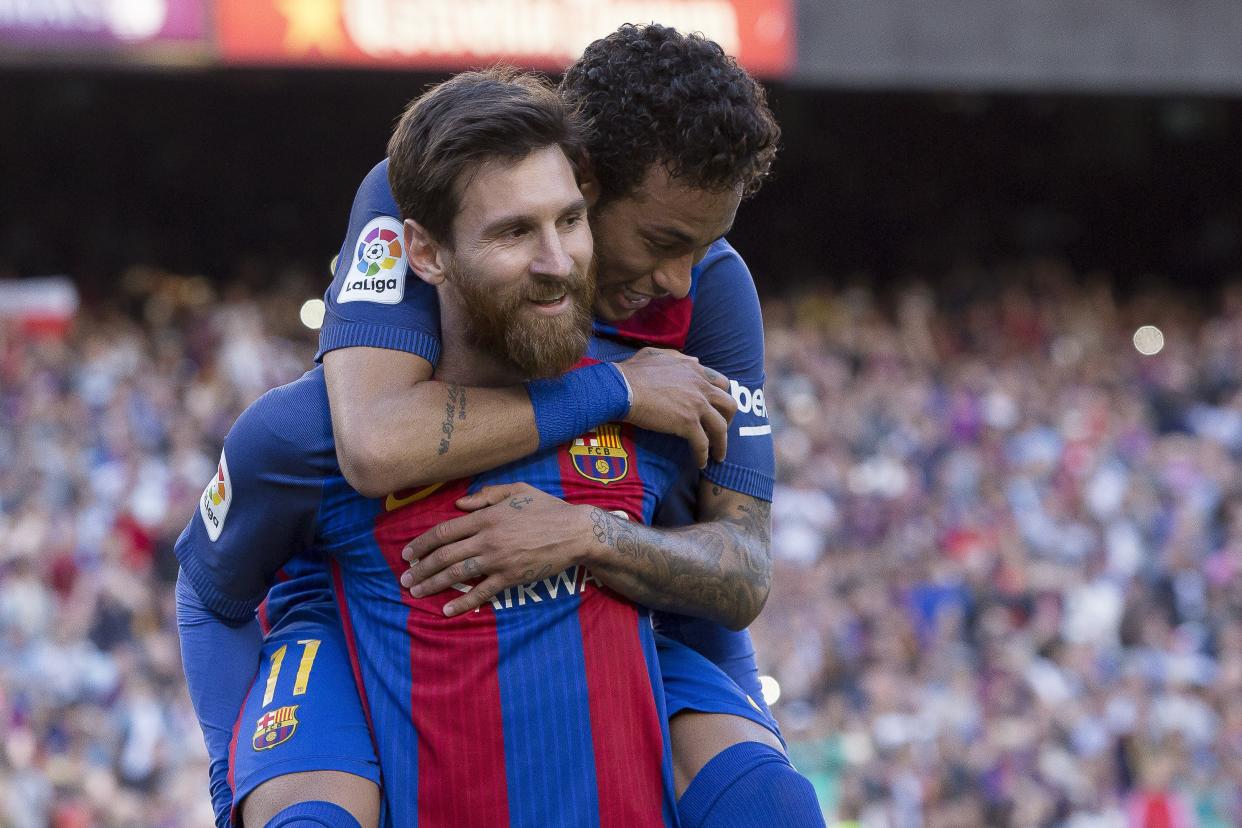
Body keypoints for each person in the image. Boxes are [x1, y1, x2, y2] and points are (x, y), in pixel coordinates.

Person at [178, 67, 811, 828]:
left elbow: (739, 579)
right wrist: (232, 787)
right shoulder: (408, 203)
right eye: (661, 241)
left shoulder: (708, 307)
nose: (684, 282)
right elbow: (372, 448)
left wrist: (587, 532)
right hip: (352, 641)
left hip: (636, 635)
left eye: (564, 224)